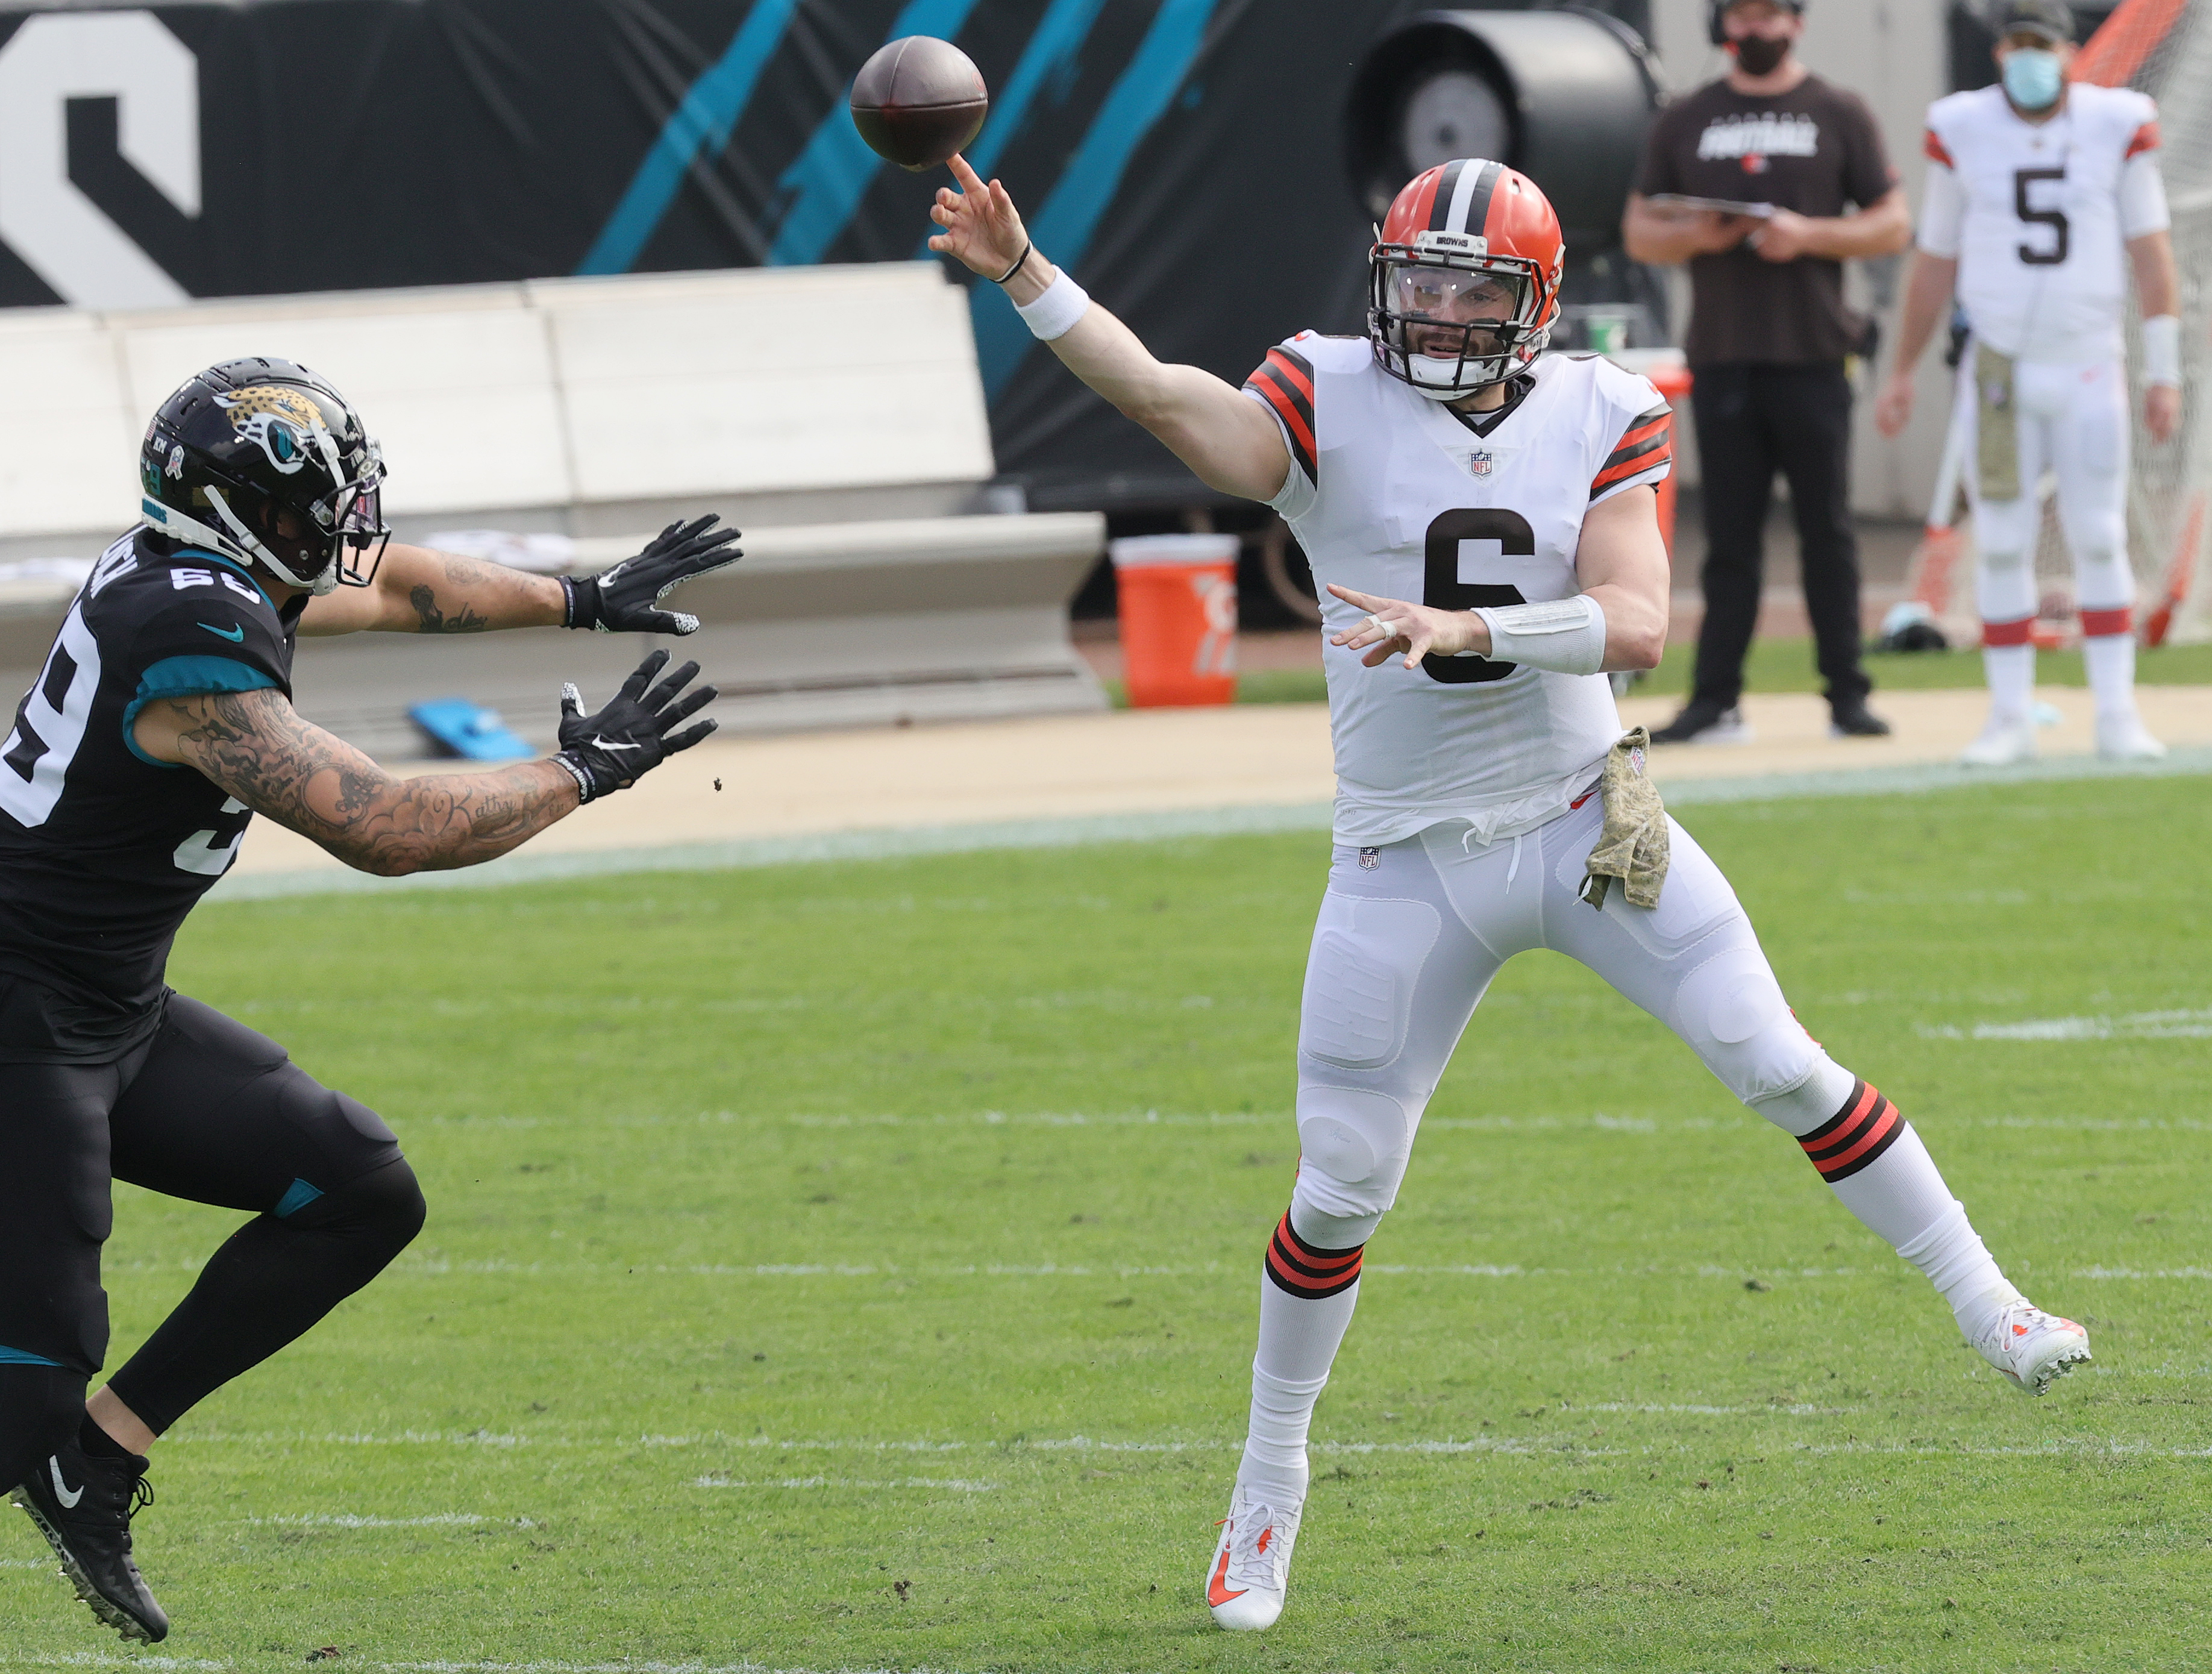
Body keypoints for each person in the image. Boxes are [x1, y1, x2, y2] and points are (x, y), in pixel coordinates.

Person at [929, 151, 2091, 1634]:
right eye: (1416, 277)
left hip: (1583, 823)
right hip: (1403, 853)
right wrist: (1029, 276)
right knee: (1340, 1182)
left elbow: (1637, 622)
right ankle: (1265, 1482)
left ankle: (1991, 1299)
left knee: (1776, 1056)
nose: (1434, 310)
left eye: (1471, 287)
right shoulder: (1320, 387)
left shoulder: (1606, 407)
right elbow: (1168, 400)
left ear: (1535, 304)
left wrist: (1464, 630)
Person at [0, 357, 736, 1643]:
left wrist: (582, 596)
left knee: (355, 1192)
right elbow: (388, 827)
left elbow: (397, 584)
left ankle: (97, 1466)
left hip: (103, 1004)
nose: (336, 530)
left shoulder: (197, 572)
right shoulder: (192, 644)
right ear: (234, 512)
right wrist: (582, 767)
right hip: (20, 1020)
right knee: (23, 1393)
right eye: (308, 510)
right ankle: (55, 1449)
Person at [1873, 0, 2179, 765]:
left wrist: (2163, 371)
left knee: (2100, 535)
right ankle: (2008, 715)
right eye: (2015, 45)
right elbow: (1935, 257)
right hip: (2000, 366)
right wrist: (1902, 368)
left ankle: (2115, 712)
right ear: (1998, 51)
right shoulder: (1963, 126)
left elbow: (2150, 250)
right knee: (2004, 543)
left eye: (2040, 45)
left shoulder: (2116, 120)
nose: (2028, 59)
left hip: (2088, 360)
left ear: (2069, 51)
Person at [1623, 0, 1911, 744]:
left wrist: (1807, 235)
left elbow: (1891, 222)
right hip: (1723, 357)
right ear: (1722, 25)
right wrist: (1702, 234)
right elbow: (1638, 231)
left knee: (1828, 533)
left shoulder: (1835, 110)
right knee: (1728, 541)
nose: (1755, 30)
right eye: (1741, 16)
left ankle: (1847, 694)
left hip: (1813, 353)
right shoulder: (1686, 117)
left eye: (1768, 14)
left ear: (1796, 22)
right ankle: (1714, 700)